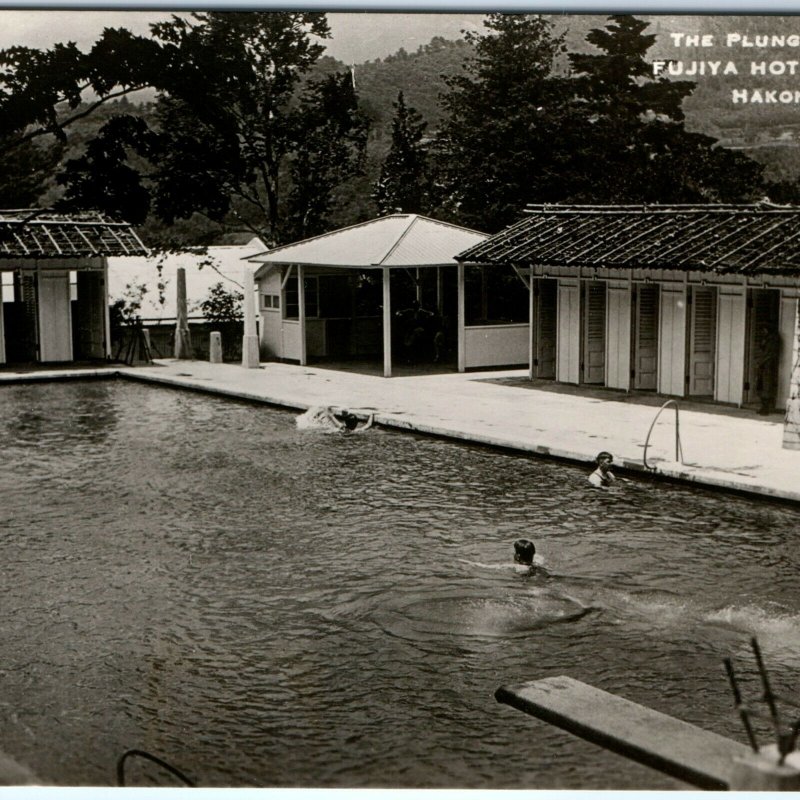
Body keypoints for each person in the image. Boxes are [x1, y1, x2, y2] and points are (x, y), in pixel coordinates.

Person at [755, 324, 781, 415]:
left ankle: (766, 408)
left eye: (764, 330)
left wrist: (762, 363)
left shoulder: (773, 339)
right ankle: (763, 407)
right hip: (764, 365)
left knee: (766, 386)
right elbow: (762, 348)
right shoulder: (767, 339)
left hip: (768, 365)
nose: (763, 332)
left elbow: (770, 354)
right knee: (761, 386)